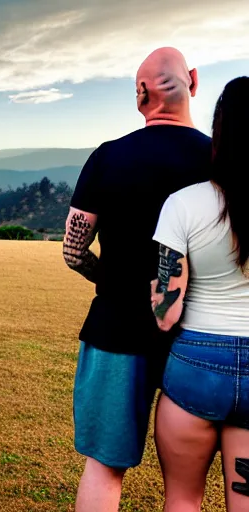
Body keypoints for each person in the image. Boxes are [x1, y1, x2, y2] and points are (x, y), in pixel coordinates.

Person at [63, 47, 212, 512]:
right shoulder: (219, 159)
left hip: (115, 329)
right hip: (198, 339)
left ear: (140, 95)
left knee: (104, 469)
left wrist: (108, 279)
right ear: (193, 80)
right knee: (186, 488)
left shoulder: (109, 157)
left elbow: (72, 251)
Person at [151, 76, 249, 512]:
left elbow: (164, 314)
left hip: (196, 368)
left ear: (219, 131)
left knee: (183, 500)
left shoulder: (183, 204)